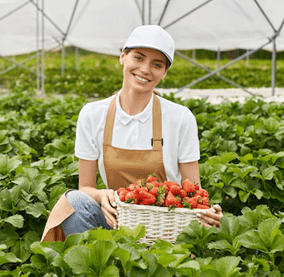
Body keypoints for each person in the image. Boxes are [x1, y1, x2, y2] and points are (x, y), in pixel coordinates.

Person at [41, 25, 223, 242]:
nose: (145, 69)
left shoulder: (180, 118)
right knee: (75, 201)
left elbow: (193, 190)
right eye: (139, 58)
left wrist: (206, 211)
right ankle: (94, 263)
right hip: (115, 221)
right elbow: (85, 187)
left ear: (164, 73)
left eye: (157, 64)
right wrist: (101, 195)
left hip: (165, 225)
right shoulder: (92, 114)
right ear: (123, 57)